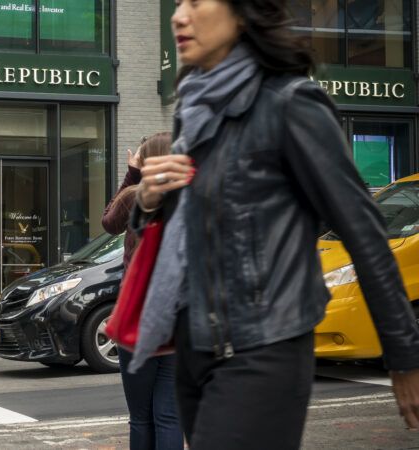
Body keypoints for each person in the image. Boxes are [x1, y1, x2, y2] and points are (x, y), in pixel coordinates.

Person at [130, 0, 419, 449]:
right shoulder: (196, 109)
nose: (178, 15)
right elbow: (200, 228)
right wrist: (149, 201)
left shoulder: (292, 103)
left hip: (264, 348)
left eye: (195, 1)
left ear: (243, 14)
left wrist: (403, 354)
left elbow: (364, 232)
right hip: (195, 347)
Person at [102, 133, 181, 450]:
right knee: (170, 417)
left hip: (138, 317)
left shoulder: (135, 197)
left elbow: (110, 222)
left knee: (141, 417)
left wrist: (132, 173)